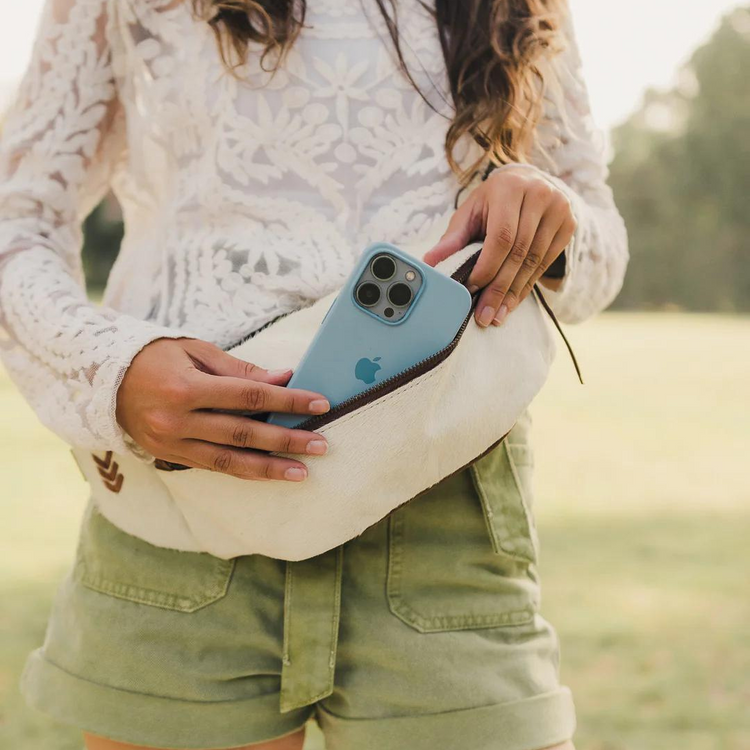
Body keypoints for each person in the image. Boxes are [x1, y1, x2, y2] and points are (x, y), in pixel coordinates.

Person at [0, 0, 628, 748]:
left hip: (445, 501)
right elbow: (18, 218)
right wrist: (112, 371)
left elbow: (598, 255)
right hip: (183, 502)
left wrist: (552, 218)